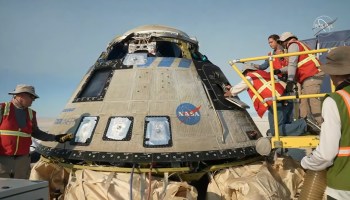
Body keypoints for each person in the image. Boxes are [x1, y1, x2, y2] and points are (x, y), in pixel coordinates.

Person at [301, 46, 350, 200]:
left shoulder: (335, 100)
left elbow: (326, 155)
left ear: (333, 73)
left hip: (342, 186)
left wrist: (306, 163)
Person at [0, 84, 71, 179]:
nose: (33, 100)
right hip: (3, 158)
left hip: (23, 160)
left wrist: (55, 138)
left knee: (21, 186)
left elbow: (36, 133)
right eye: (31, 97)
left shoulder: (31, 113)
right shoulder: (3, 108)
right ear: (21, 95)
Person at [224, 64, 318, 136]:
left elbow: (241, 86)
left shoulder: (250, 76)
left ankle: (306, 124)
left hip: (277, 103)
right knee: (287, 125)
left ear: (246, 71)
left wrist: (229, 92)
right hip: (286, 99)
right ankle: (305, 124)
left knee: (275, 130)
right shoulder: (264, 74)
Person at [276, 32, 324, 125]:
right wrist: (280, 71)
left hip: (312, 74)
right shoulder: (298, 45)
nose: (281, 45)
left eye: (281, 42)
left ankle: (321, 125)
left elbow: (293, 63)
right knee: (303, 102)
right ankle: (305, 124)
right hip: (308, 75)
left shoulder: (293, 45)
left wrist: (290, 80)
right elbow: (295, 64)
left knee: (313, 101)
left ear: (286, 41)